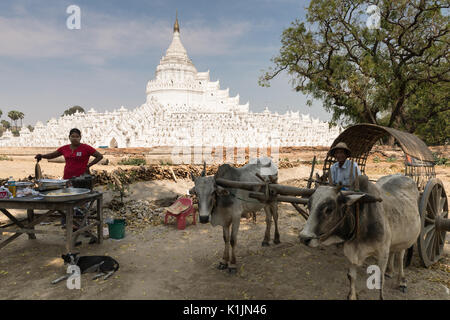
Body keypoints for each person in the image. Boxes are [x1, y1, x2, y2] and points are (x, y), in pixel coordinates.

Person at [35, 128, 103, 179]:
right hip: (68, 177)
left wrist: (88, 166)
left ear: (80, 138)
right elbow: (52, 155)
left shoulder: (86, 148)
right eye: (73, 136)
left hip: (82, 178)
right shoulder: (64, 148)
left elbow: (99, 156)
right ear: (69, 137)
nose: (75, 138)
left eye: (77, 137)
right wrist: (41, 156)